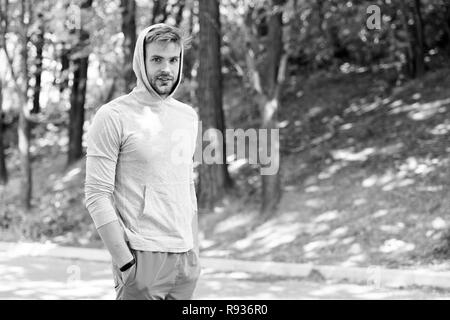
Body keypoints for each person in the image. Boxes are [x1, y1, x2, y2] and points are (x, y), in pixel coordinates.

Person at [84, 23, 200, 300]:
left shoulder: (187, 116)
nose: (167, 69)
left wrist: (194, 251)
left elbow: (186, 187)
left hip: (186, 262)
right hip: (142, 257)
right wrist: (125, 263)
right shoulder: (113, 116)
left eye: (173, 60)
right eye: (157, 59)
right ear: (141, 61)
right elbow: (96, 195)